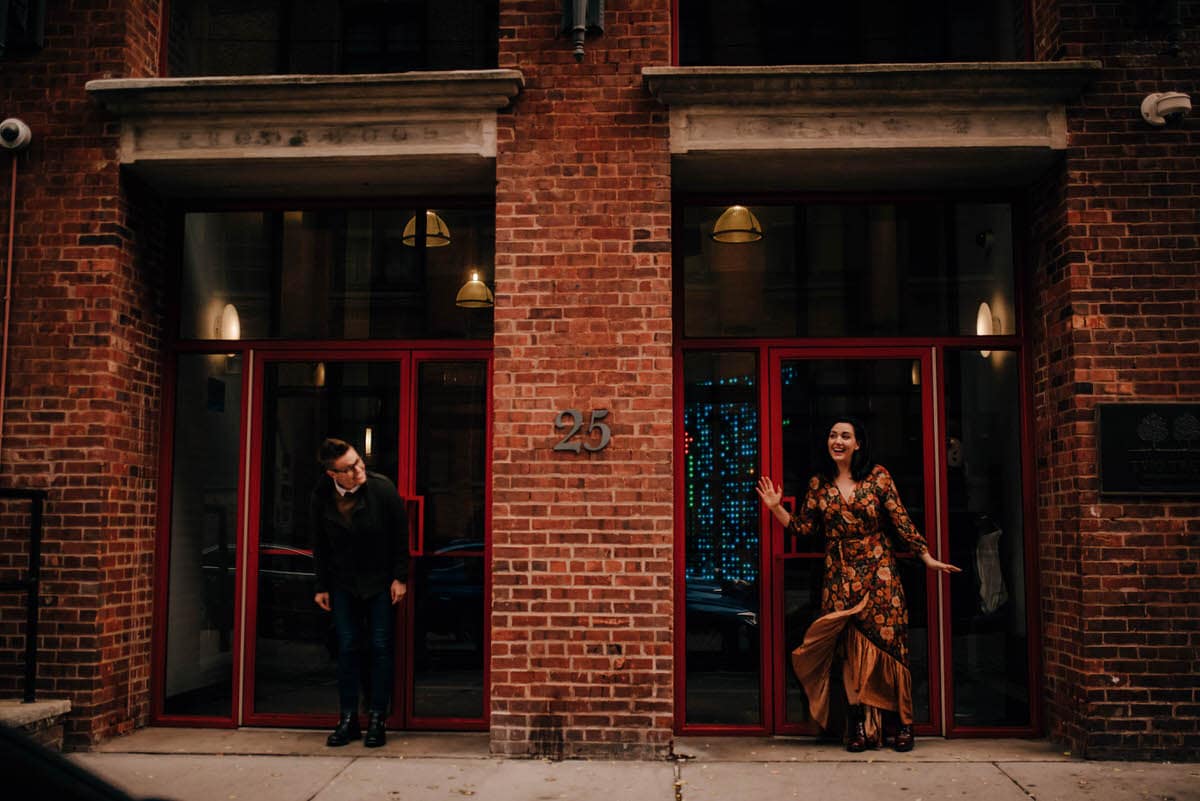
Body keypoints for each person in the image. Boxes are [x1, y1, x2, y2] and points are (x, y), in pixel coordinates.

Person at [756, 417, 959, 752]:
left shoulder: (878, 477)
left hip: (881, 573)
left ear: (858, 444)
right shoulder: (819, 484)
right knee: (849, 653)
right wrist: (776, 508)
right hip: (840, 576)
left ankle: (901, 724)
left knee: (891, 650)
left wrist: (925, 556)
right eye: (833, 435)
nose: (837, 441)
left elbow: (900, 520)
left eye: (845, 436)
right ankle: (858, 727)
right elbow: (804, 528)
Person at [311, 437, 409, 748]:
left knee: (380, 646)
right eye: (349, 468)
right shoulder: (321, 495)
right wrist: (321, 586)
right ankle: (348, 719)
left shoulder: (382, 488)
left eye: (358, 462)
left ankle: (378, 718)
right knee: (347, 647)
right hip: (342, 582)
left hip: (379, 580)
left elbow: (400, 536)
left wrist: (400, 577)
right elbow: (319, 543)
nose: (358, 469)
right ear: (332, 474)